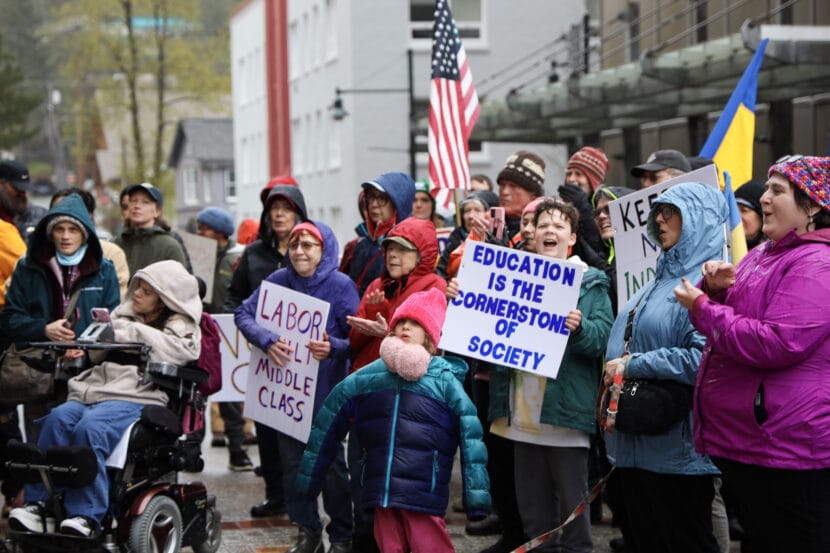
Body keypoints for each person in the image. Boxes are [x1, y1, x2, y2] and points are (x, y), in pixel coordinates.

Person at [674, 156, 830, 553]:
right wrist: (716, 291)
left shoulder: (818, 263)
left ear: (811, 206)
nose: (764, 198)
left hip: (788, 448)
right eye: (767, 188)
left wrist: (704, 308)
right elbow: (732, 323)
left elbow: (776, 342)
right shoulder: (764, 254)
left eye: (777, 190)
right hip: (752, 443)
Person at [8, 260, 202, 538]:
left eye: (147, 292)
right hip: (97, 387)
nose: (137, 294)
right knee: (55, 420)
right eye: (137, 287)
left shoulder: (180, 324)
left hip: (137, 393)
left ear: (164, 299)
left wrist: (131, 333)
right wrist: (87, 348)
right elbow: (98, 354)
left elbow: (180, 353)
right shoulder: (122, 315)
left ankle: (87, 513)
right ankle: (40, 504)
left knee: (91, 427)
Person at [297, 288, 491, 553]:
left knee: (429, 546)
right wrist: (308, 481)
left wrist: (476, 498)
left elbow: (472, 438)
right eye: (400, 321)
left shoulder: (445, 381)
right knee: (388, 546)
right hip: (380, 489)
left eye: (415, 323)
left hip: (424, 491)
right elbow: (327, 423)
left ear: (431, 337)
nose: (405, 327)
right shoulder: (368, 376)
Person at [603, 181, 726, 553]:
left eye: (670, 211)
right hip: (634, 445)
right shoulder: (655, 281)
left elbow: (704, 358)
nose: (659, 218)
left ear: (697, 221)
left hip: (678, 451)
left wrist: (634, 364)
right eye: (657, 211)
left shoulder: (707, 288)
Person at [485, 199, 613, 553]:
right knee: (535, 517)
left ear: (571, 237)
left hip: (564, 419)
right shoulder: (513, 278)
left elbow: (602, 336)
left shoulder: (590, 283)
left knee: (573, 519)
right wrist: (466, 300)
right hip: (522, 417)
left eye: (558, 226)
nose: (549, 231)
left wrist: (580, 327)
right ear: (532, 235)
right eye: (543, 226)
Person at [235, 221, 357, 553]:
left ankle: (343, 536)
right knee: (293, 468)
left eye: (308, 245)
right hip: (285, 397)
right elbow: (243, 314)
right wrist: (266, 339)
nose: (300, 251)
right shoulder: (276, 281)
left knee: (332, 468)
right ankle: (308, 531)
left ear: (324, 249)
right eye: (294, 245)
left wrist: (333, 346)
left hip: (327, 395)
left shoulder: (341, 286)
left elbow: (357, 338)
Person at [0, 194, 121, 436]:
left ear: (85, 232)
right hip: (39, 373)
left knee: (78, 443)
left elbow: (115, 322)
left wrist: (86, 348)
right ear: (50, 233)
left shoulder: (104, 270)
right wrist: (44, 329)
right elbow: (10, 319)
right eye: (60, 229)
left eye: (73, 229)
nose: (66, 236)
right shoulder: (28, 268)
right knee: (40, 443)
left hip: (88, 374)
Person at [225, 183, 308, 518]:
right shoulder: (254, 254)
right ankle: (275, 496)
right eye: (274, 208)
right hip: (262, 356)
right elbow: (234, 299)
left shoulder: (310, 249)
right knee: (266, 432)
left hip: (301, 360)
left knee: (297, 435)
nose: (278, 214)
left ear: (299, 213)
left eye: (286, 208)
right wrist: (251, 329)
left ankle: (300, 499)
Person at [193, 207, 252, 471]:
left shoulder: (237, 258)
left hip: (230, 335)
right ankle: (193, 448)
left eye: (204, 229)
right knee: (197, 393)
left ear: (218, 232)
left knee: (230, 397)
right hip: (203, 332)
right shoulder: (197, 256)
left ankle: (237, 450)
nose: (200, 233)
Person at [340, 172, 415, 297]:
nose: (373, 205)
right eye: (370, 197)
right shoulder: (357, 245)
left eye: (382, 199)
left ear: (398, 203)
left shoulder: (411, 247)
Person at [50, 188, 130, 301]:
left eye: (74, 212)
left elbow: (117, 305)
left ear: (89, 216)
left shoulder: (110, 255)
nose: (65, 236)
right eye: (57, 212)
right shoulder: (32, 260)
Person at [115, 182, 188, 276]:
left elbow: (181, 283)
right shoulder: (117, 243)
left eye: (145, 202)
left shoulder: (169, 246)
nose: (137, 206)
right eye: (133, 200)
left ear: (157, 211)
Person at [436, 190, 499, 279]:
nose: (471, 216)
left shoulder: (499, 241)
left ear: (488, 214)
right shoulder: (453, 243)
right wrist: (449, 286)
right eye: (467, 211)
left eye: (477, 210)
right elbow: (440, 274)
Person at [496, 151, 545, 240]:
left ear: (533, 195)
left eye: (513, 186)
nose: (505, 192)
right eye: (502, 185)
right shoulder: (484, 224)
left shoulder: (545, 232)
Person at [0, 159, 47, 242]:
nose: (22, 193)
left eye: (24, 189)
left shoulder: (39, 216)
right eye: (16, 188)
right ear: (1, 185)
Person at [734, 179, 767, 250]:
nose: (736, 216)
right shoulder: (720, 250)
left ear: (762, 218)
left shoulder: (772, 255)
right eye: (734, 210)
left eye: (744, 210)